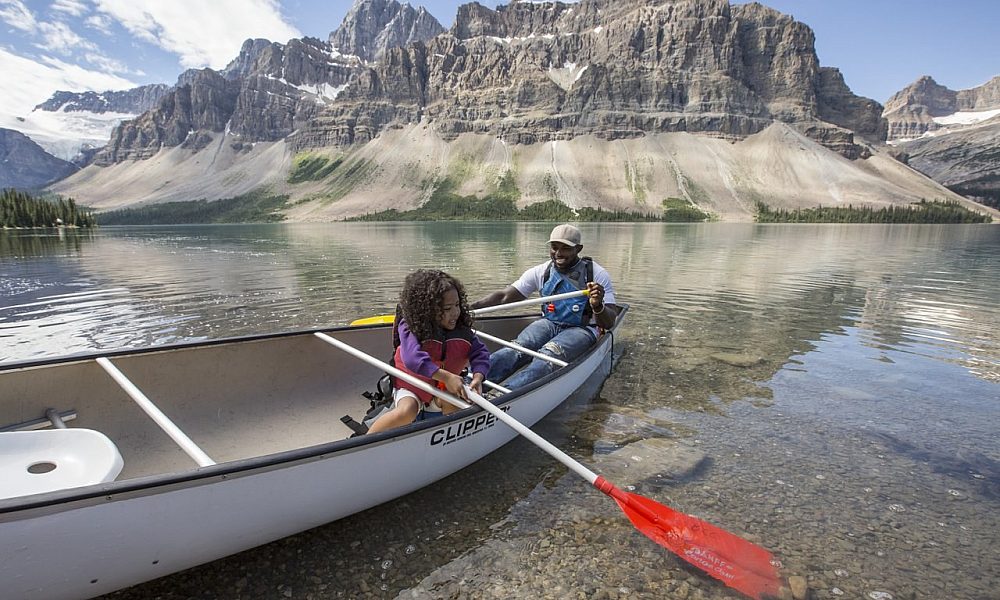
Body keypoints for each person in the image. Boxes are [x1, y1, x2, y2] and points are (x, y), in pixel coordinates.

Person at [471, 224, 618, 390]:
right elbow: (505, 296)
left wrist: (597, 305)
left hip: (583, 329)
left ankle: (505, 396)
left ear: (578, 249)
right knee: (516, 348)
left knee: (548, 356)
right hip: (549, 323)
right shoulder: (541, 271)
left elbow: (609, 321)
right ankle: (470, 383)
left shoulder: (597, 274)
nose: (558, 253)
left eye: (565, 249)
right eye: (554, 247)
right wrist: (471, 307)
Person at [367, 269, 490, 434]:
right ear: (427, 309)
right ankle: (364, 444)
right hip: (411, 387)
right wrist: (447, 377)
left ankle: (446, 438)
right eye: (447, 308)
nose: (455, 312)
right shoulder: (411, 326)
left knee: (453, 400)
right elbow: (412, 359)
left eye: (457, 305)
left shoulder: (461, 331)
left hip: (440, 390)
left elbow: (480, 353)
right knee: (406, 410)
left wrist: (478, 377)